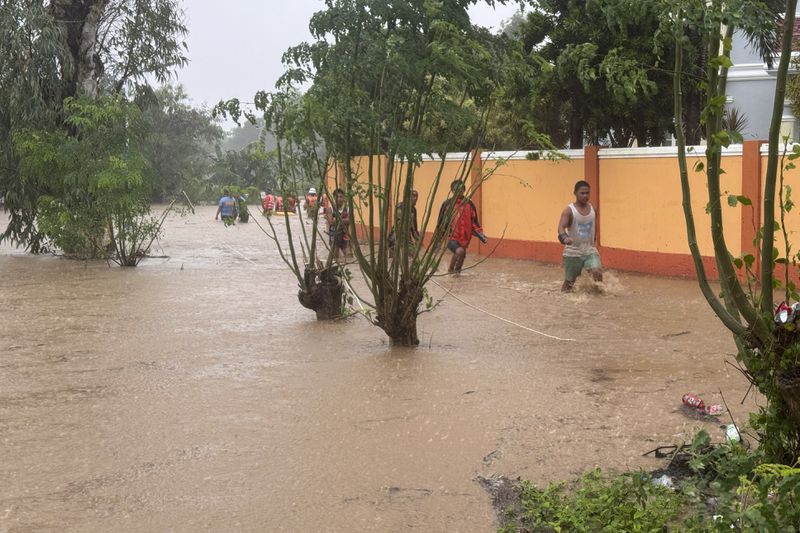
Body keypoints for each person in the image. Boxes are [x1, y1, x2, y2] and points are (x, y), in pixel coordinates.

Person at [557, 179, 603, 292]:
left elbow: (594, 227)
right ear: (575, 193)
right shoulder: (568, 211)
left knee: (597, 274)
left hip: (589, 250)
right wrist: (565, 237)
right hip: (573, 252)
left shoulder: (593, 209)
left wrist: (594, 242)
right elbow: (560, 227)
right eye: (582, 193)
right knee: (569, 284)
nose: (585, 195)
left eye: (587, 193)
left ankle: (598, 303)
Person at [437, 180, 486, 274]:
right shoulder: (447, 204)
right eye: (456, 190)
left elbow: (474, 222)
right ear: (452, 190)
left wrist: (481, 234)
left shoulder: (469, 204)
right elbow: (440, 222)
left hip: (465, 237)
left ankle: (456, 275)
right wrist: (439, 239)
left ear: (464, 190)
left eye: (461, 190)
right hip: (450, 237)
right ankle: (451, 270)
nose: (458, 192)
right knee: (460, 252)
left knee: (462, 255)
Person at [388, 189, 420, 257]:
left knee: (414, 255)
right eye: (413, 196)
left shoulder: (413, 210)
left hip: (407, 236)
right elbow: (399, 224)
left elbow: (414, 226)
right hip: (397, 235)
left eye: (416, 196)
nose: (415, 198)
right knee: (396, 257)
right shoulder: (400, 207)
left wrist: (418, 238)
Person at [326, 188, 350, 257]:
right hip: (334, 235)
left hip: (345, 234)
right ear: (334, 198)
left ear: (344, 198)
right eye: (337, 197)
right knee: (335, 257)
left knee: (349, 256)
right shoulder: (330, 208)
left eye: (341, 197)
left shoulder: (347, 208)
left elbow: (350, 220)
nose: (339, 199)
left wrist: (336, 219)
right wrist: (345, 220)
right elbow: (331, 222)